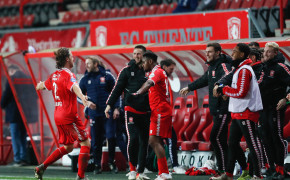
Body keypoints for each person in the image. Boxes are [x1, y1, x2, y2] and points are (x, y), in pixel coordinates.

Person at [34, 47, 92, 180]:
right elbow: (74, 87)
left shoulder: (54, 75)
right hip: (69, 115)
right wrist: (83, 98)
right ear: (67, 59)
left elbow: (42, 85)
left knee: (69, 147)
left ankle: (42, 167)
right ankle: (81, 177)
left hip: (58, 116)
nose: (73, 58)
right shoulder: (68, 75)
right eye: (71, 56)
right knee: (85, 143)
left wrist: (39, 85)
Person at [179, 43, 232, 179]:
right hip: (216, 110)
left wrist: (221, 86)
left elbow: (228, 76)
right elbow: (204, 80)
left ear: (218, 52)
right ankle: (224, 170)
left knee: (215, 138)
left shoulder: (223, 65)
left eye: (209, 52)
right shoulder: (212, 67)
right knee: (219, 139)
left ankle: (224, 170)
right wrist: (189, 87)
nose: (206, 54)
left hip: (223, 109)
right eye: (206, 51)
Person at [213, 43, 263, 180]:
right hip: (238, 112)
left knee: (252, 144)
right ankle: (228, 174)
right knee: (232, 143)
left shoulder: (245, 70)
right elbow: (236, 89)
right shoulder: (239, 69)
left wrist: (224, 90)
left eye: (234, 52)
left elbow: (241, 92)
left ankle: (258, 175)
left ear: (241, 54)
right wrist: (223, 88)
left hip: (246, 112)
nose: (232, 54)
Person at [105, 45, 151, 180]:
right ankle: (132, 169)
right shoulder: (126, 71)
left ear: (144, 55)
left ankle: (140, 171)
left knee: (144, 141)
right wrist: (109, 105)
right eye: (135, 53)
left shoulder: (150, 71)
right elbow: (117, 89)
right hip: (130, 109)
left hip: (146, 111)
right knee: (133, 139)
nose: (136, 56)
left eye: (139, 54)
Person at [133, 54, 176, 180]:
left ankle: (164, 173)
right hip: (159, 110)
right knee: (156, 141)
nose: (142, 65)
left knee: (153, 141)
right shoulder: (158, 71)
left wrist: (137, 93)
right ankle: (164, 172)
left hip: (160, 110)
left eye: (144, 62)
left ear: (150, 61)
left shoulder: (156, 72)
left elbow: (149, 83)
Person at [79, 56, 121, 174]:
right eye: (86, 63)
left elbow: (116, 93)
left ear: (96, 64)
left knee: (111, 137)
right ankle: (97, 165)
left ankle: (111, 162)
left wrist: (117, 108)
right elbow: (78, 96)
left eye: (89, 63)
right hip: (94, 114)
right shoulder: (84, 79)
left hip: (108, 113)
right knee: (96, 141)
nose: (86, 65)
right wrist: (87, 103)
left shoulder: (107, 76)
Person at [258, 42, 290, 180]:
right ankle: (272, 168)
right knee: (266, 138)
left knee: (277, 138)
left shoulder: (281, 67)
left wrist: (285, 99)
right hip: (263, 108)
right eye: (265, 51)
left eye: (268, 51)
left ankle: (281, 170)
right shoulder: (263, 67)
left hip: (275, 108)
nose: (265, 53)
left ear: (275, 52)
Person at [1, 65, 29, 166]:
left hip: (14, 113)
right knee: (23, 136)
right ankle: (24, 158)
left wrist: (2, 104)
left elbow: (6, 95)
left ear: (11, 70)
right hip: (26, 113)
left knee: (15, 136)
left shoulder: (12, 79)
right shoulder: (27, 78)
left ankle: (17, 158)